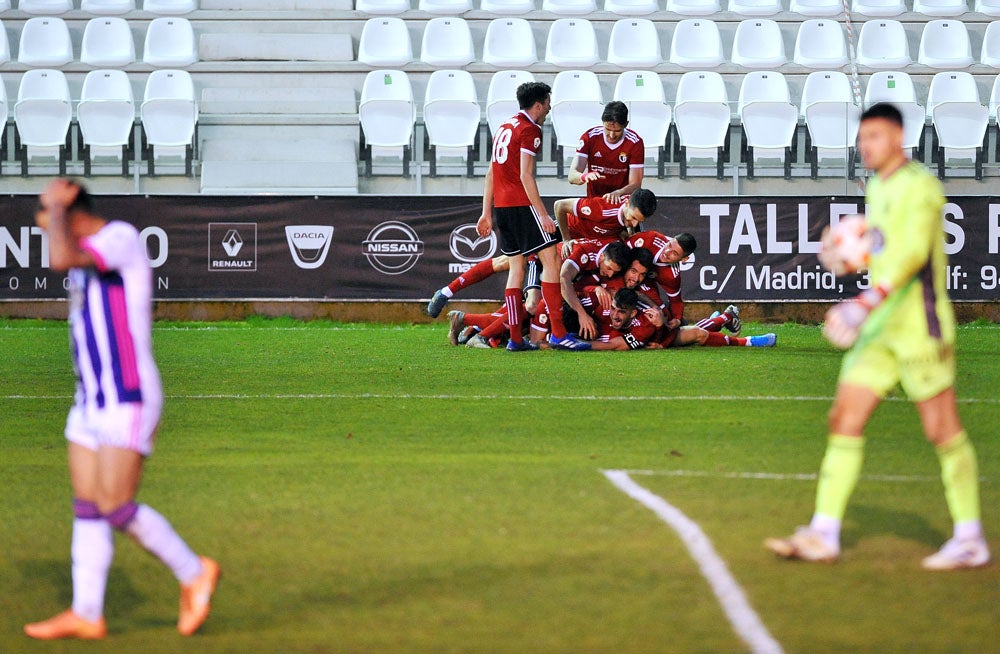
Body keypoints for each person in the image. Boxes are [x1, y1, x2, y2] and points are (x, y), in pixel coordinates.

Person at [765, 103, 989, 570]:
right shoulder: (879, 187)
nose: (867, 145)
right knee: (844, 418)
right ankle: (824, 532)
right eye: (862, 137)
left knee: (941, 430)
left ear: (898, 138)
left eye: (876, 136)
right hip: (881, 327)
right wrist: (854, 256)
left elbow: (910, 255)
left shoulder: (920, 187)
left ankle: (970, 537)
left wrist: (864, 300)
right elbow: (886, 252)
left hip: (918, 328)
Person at [24, 179, 220, 640]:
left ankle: (194, 571)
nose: (45, 227)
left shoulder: (120, 238)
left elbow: (60, 256)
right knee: (88, 506)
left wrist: (54, 207)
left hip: (126, 395)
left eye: (50, 218)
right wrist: (54, 213)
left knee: (115, 505)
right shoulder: (85, 251)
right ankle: (87, 612)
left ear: (72, 212)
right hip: (89, 398)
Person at [476, 81, 590, 351]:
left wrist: (486, 212)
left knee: (516, 269)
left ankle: (515, 339)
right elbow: (525, 175)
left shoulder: (505, 126)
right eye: (548, 102)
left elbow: (491, 172)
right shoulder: (530, 130)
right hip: (522, 206)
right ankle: (559, 335)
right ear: (538, 104)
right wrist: (543, 215)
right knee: (550, 262)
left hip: (502, 208)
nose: (550, 106)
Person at [568, 101, 645, 202]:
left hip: (621, 202)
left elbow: (635, 184)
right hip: (595, 202)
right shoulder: (590, 138)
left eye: (617, 131)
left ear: (626, 124)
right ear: (602, 122)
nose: (612, 135)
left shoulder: (635, 143)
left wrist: (619, 193)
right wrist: (584, 176)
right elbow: (572, 176)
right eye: (608, 129)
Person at [554, 187, 657, 244]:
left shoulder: (634, 206)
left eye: (639, 221)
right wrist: (566, 239)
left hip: (589, 239)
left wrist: (628, 233)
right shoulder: (601, 209)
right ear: (627, 204)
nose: (634, 224)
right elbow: (559, 206)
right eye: (634, 218)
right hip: (564, 230)